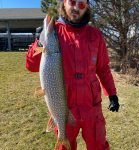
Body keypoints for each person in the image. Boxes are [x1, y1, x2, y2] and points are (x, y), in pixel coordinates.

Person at [45, 0, 120, 149]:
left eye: (81, 5)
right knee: (64, 146)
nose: (75, 8)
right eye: (72, 2)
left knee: (98, 145)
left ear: (86, 8)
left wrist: (112, 94)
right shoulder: (54, 32)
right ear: (64, 3)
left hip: (91, 105)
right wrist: (39, 43)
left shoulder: (96, 35)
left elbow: (103, 68)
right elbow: (32, 65)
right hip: (64, 105)